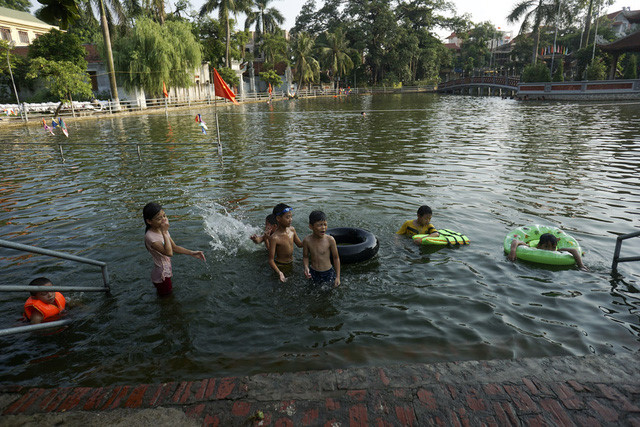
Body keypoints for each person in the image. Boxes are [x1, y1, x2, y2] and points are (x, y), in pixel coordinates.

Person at [143, 202, 206, 296]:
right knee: (167, 299)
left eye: (164, 216)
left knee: (166, 298)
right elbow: (169, 253)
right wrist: (164, 232)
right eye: (159, 218)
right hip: (162, 275)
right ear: (149, 221)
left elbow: (174, 247)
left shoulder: (161, 229)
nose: (164, 220)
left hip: (165, 271)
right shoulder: (151, 237)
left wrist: (192, 253)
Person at [508, 233, 588, 271]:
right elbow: (515, 241)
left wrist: (581, 265)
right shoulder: (532, 247)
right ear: (539, 245)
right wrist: (513, 251)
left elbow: (574, 250)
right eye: (546, 247)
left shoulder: (557, 250)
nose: (550, 250)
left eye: (553, 247)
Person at [303, 211, 341, 289]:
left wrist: (338, 277)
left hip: (328, 273)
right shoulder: (307, 240)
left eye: (325, 224)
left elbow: (336, 258)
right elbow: (305, 257)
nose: (323, 227)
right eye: (320, 225)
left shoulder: (330, 240)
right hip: (313, 272)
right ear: (311, 226)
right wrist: (306, 267)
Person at [268, 203, 303, 282]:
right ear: (278, 218)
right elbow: (270, 260)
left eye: (291, 216)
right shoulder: (274, 238)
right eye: (287, 217)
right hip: (281, 266)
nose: (290, 219)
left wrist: (312, 238)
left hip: (292, 262)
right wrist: (279, 273)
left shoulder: (292, 230)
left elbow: (300, 245)